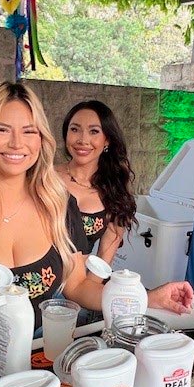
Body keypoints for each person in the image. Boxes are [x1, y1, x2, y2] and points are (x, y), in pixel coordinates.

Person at [0, 81, 193, 331]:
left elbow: (78, 287)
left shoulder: (58, 205)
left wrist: (146, 298)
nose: (17, 143)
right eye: (1, 129)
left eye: (29, 131)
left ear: (41, 139)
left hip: (38, 352)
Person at [56, 100, 135, 265]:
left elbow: (103, 262)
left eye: (94, 131)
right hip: (34, 279)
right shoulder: (44, 178)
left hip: (81, 278)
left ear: (107, 140)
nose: (83, 140)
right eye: (75, 129)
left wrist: (89, 281)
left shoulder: (114, 191)